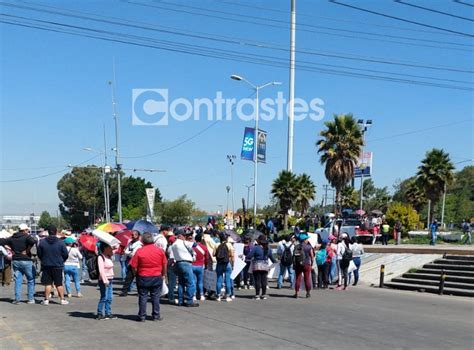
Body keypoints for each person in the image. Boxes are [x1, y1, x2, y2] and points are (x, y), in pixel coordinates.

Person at [130, 232, 167, 322]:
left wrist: (135, 274)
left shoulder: (139, 251)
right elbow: (164, 263)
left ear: (142, 241)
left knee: (143, 296)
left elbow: (133, 265)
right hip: (156, 276)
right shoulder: (159, 250)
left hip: (143, 276)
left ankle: (142, 316)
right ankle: (156, 315)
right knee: (155, 296)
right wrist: (164, 274)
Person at [0, 224, 37, 304]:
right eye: (27, 230)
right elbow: (34, 241)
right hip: (26, 260)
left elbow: (1, 241)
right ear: (24, 230)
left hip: (16, 260)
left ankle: (17, 299)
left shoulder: (12, 238)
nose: (28, 231)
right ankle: (30, 299)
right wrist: (27, 250)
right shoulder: (27, 237)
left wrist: (9, 248)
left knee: (18, 280)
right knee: (30, 279)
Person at [37, 225, 69, 305]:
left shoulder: (42, 242)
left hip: (46, 265)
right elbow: (65, 254)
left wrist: (43, 260)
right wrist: (62, 260)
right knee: (59, 283)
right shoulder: (60, 242)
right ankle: (62, 299)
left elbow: (39, 254)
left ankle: (46, 300)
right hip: (57, 265)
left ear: (48, 232)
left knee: (48, 283)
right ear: (56, 232)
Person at [171, 229, 199, 307]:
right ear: (180, 236)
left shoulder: (173, 244)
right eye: (184, 235)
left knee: (181, 283)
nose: (185, 237)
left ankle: (181, 300)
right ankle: (189, 301)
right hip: (186, 263)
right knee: (191, 283)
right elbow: (195, 245)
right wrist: (192, 239)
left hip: (178, 263)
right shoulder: (183, 242)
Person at [248, 235, 275, 300]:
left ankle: (257, 295)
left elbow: (249, 256)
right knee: (264, 281)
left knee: (257, 280)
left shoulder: (256, 248)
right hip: (265, 266)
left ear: (259, 241)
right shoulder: (268, 249)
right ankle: (263, 295)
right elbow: (272, 259)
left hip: (257, 266)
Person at [120, 230, 142, 296]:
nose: (132, 236)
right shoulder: (130, 243)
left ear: (138, 236)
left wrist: (127, 252)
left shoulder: (139, 244)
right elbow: (127, 251)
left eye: (134, 235)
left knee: (138, 278)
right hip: (130, 262)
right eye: (132, 234)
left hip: (137, 263)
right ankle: (124, 291)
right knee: (128, 277)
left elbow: (133, 254)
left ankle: (140, 291)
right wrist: (127, 252)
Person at [214, 232, 234, 302]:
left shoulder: (216, 244)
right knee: (227, 280)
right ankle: (228, 296)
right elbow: (232, 255)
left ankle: (218, 295)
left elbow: (214, 254)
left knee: (219, 280)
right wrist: (232, 263)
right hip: (227, 263)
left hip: (219, 263)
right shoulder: (229, 245)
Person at [293, 233, 314, 298]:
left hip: (298, 264)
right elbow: (312, 257)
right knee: (307, 279)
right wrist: (312, 264)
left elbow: (294, 256)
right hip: (307, 264)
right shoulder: (309, 247)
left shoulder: (296, 246)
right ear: (304, 239)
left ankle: (296, 293)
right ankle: (308, 293)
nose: (307, 240)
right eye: (307, 238)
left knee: (298, 278)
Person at [192, 233, 210, 301]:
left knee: (193, 281)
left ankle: (193, 295)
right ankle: (201, 295)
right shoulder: (204, 247)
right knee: (200, 281)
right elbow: (207, 258)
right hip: (200, 266)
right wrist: (206, 266)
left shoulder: (192, 247)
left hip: (192, 265)